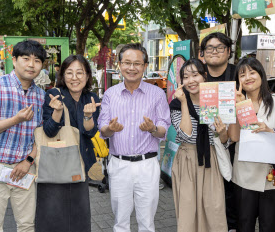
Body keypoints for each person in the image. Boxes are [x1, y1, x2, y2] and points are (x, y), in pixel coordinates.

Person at [0, 40, 46, 232]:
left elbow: (41, 136)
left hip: (24, 168)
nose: (31, 64)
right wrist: (15, 120)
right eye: (25, 58)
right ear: (14, 60)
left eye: (37, 60)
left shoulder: (40, 96)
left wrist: (28, 161)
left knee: (27, 225)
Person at [98, 43, 171, 232]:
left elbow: (164, 130)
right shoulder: (110, 94)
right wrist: (111, 129)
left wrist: (153, 128)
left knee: (146, 222)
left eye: (137, 63)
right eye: (127, 63)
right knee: (120, 221)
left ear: (145, 66)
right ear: (120, 65)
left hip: (147, 165)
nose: (132, 68)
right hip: (119, 164)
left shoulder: (156, 94)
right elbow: (102, 129)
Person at [228, 57, 275, 232]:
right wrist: (237, 107)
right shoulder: (237, 104)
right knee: (244, 225)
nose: (248, 77)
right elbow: (234, 137)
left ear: (261, 74)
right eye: (242, 74)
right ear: (238, 81)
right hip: (244, 176)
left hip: (273, 177)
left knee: (270, 226)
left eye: (252, 72)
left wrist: (272, 131)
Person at [36, 54, 100, 232]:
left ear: (87, 76)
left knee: (78, 217)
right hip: (55, 164)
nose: (74, 78)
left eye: (80, 73)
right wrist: (57, 112)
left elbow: (90, 132)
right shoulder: (54, 94)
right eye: (69, 73)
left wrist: (88, 116)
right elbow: (49, 131)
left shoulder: (91, 97)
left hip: (80, 163)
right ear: (62, 75)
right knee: (53, 216)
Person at [169, 59, 228, 232]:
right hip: (186, 160)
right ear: (181, 81)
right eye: (186, 77)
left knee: (213, 210)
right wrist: (184, 102)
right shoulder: (176, 104)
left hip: (211, 159)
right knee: (188, 212)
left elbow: (224, 140)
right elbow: (185, 134)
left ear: (204, 76)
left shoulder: (216, 101)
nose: (191, 80)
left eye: (195, 75)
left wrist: (222, 131)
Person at [200, 32, 237, 232]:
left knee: (231, 189)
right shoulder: (197, 74)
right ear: (202, 53)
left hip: (233, 143)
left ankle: (231, 226)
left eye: (220, 47)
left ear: (228, 51)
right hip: (203, 143)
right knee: (207, 192)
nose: (214, 51)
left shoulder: (239, 74)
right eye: (209, 48)